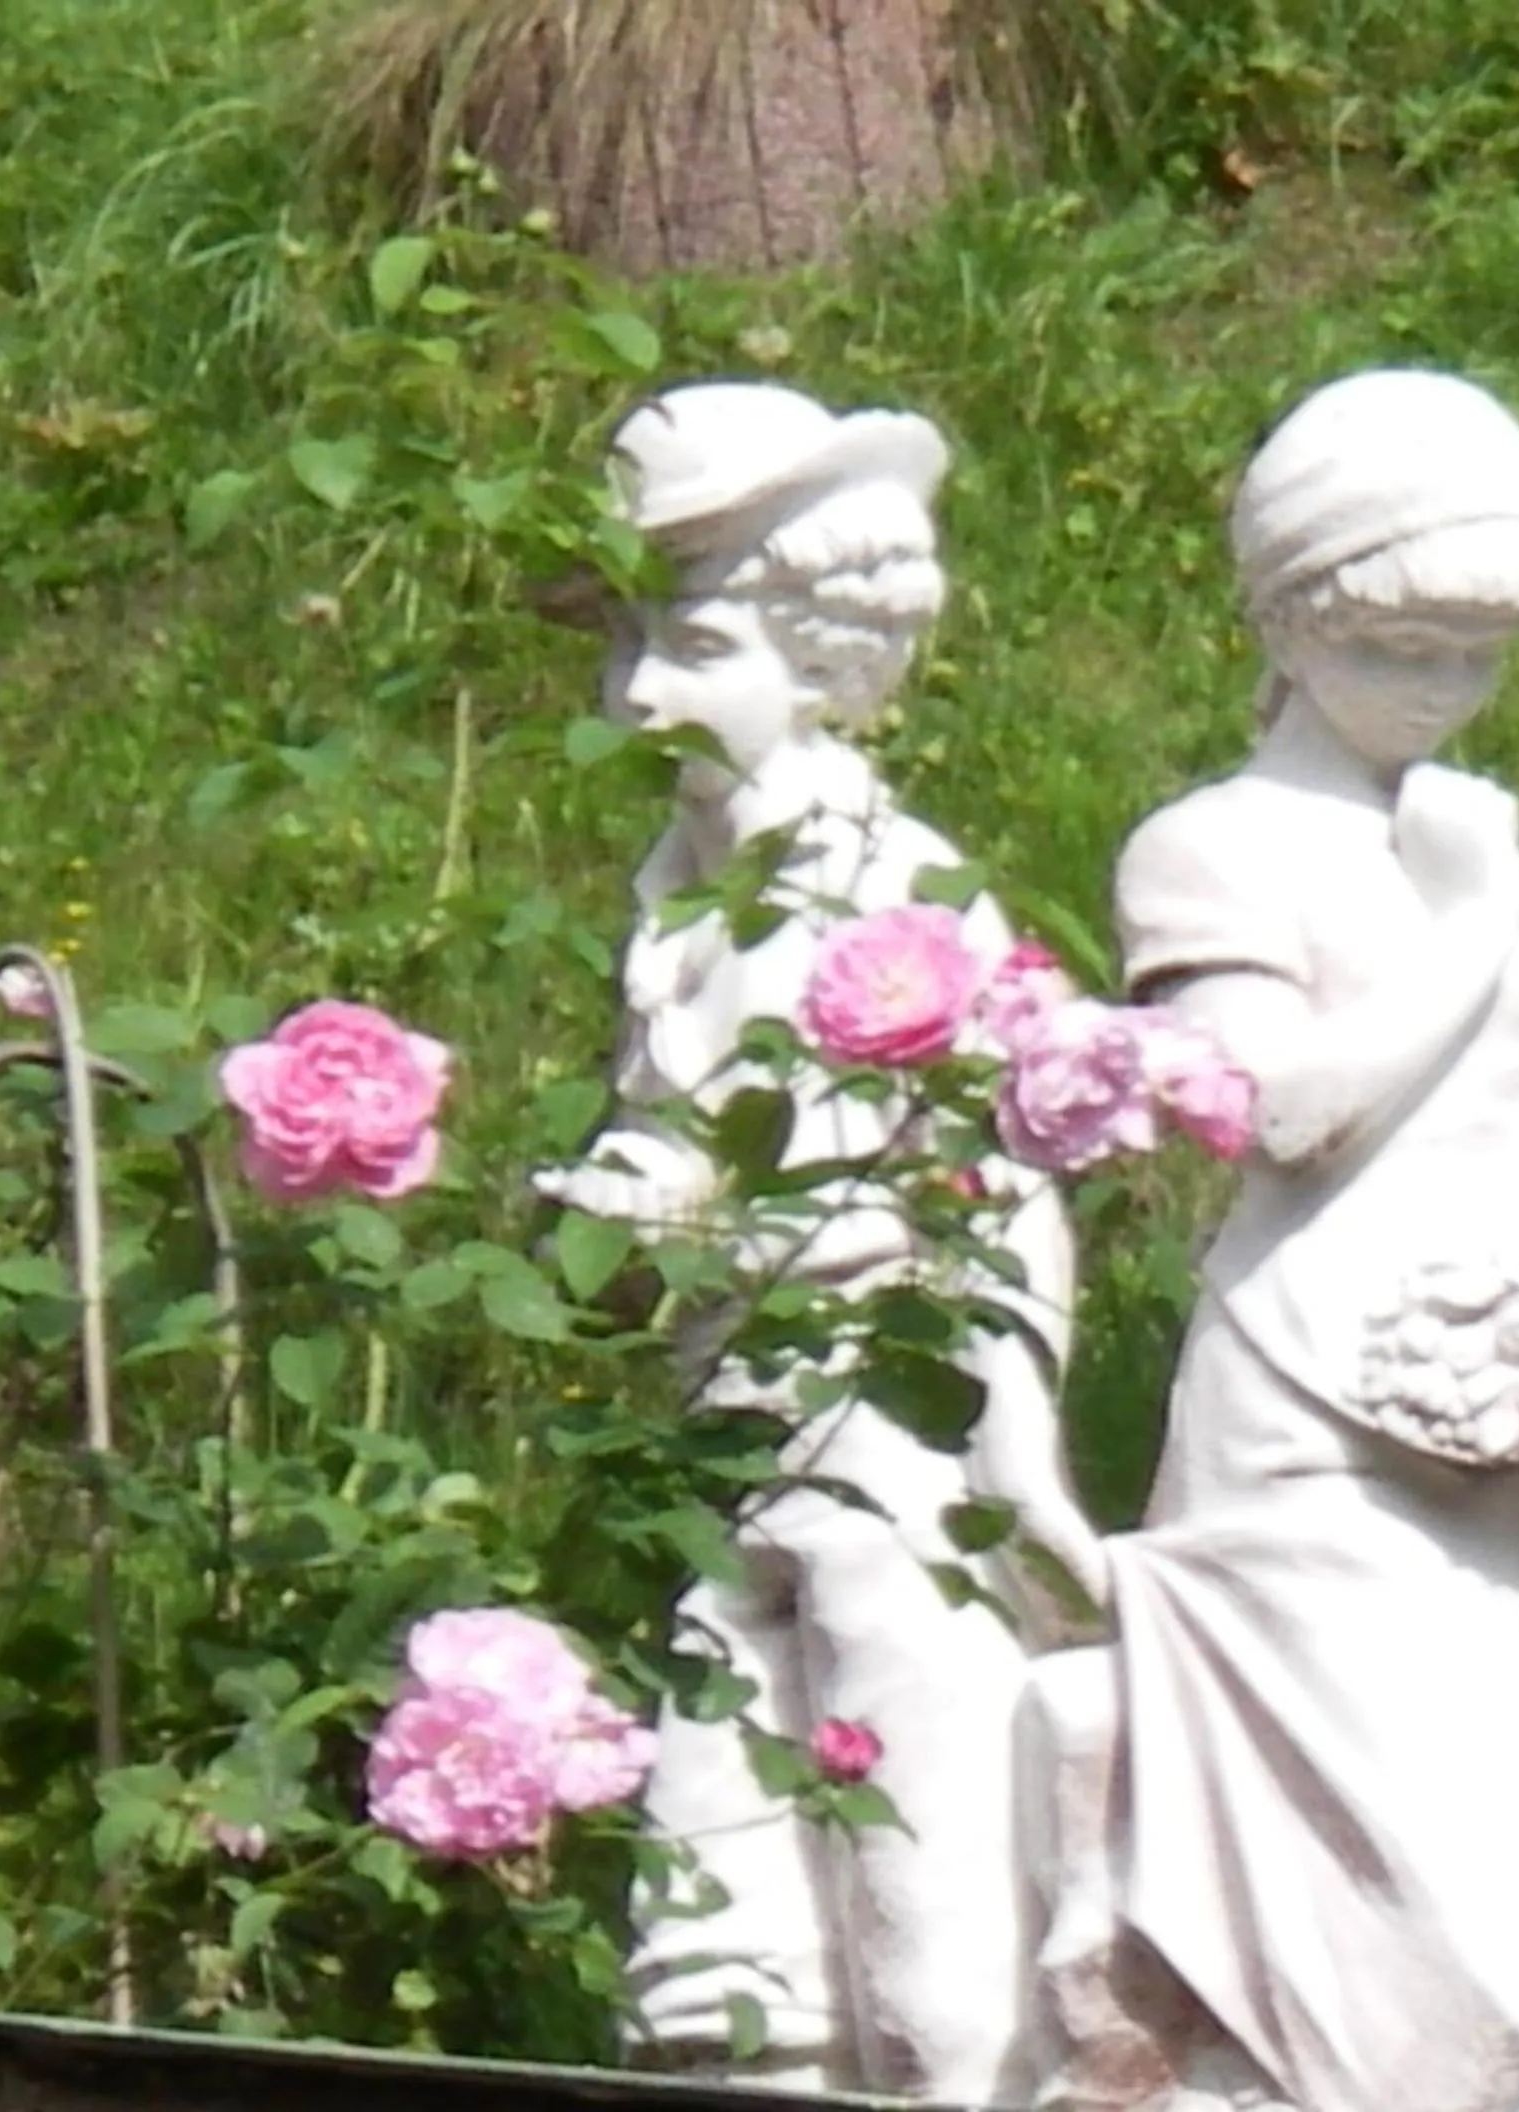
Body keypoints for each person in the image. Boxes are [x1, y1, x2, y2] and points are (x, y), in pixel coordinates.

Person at [1020, 369, 1519, 2112]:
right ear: (1286, 616)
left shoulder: (1479, 853)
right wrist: (1471, 922)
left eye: (1477, 658)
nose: (1447, 692)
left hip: (1517, 1419)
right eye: (1406, 650)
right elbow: (1277, 1115)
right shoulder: (1212, 849)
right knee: (1387, 1945)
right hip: (1314, 1436)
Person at [536, 381, 1093, 2101]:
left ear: (826, 654)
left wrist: (1022, 1465)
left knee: (924, 1882)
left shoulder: (898, 899)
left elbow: (1000, 1187)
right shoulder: (672, 903)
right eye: (626, 640)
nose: (639, 691)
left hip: (879, 1428)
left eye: (692, 643)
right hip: (721, 1426)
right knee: (722, 1927)